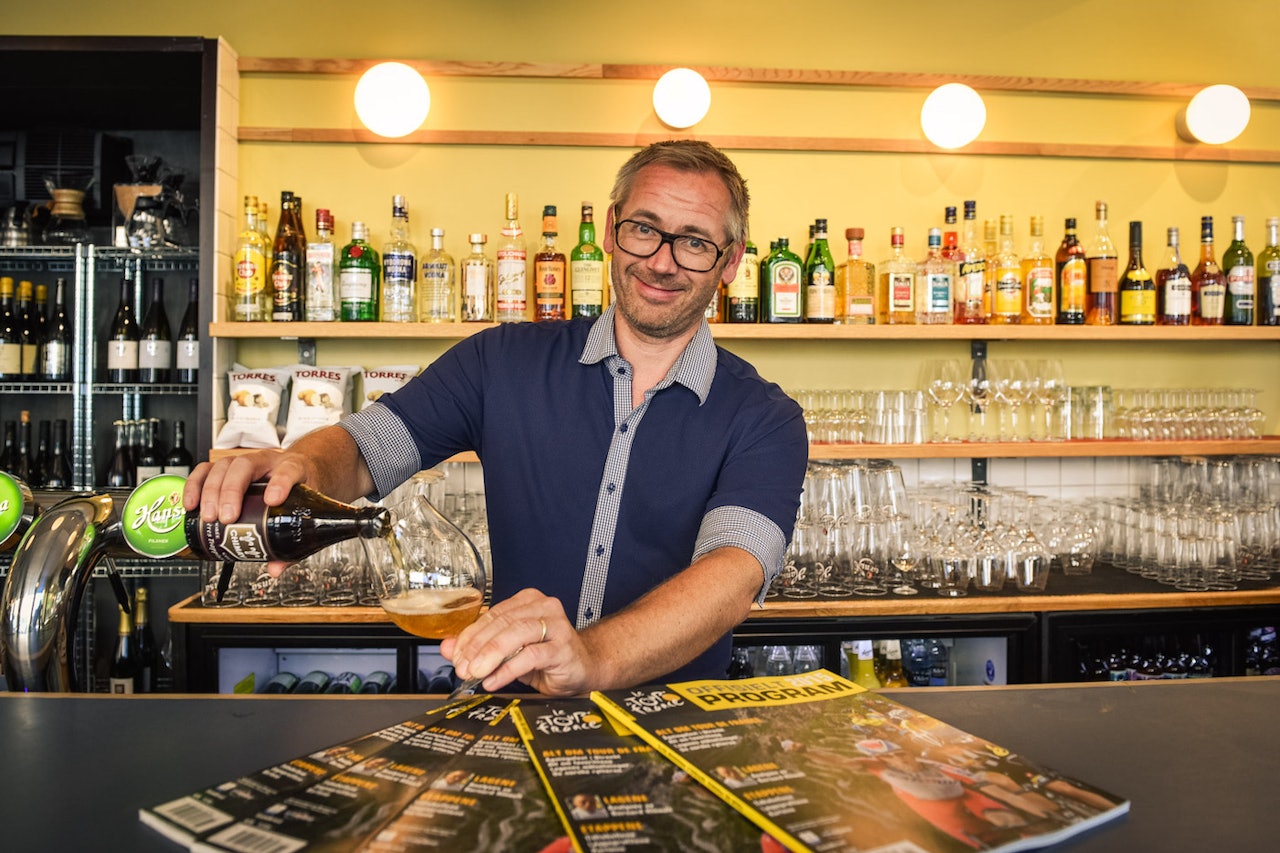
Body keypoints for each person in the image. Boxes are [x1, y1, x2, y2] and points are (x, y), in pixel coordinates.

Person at [184, 140, 808, 696]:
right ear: (613, 228)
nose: (663, 261)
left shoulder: (765, 417)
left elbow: (731, 574)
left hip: (678, 731)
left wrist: (590, 657)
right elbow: (368, 446)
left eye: (695, 242)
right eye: (645, 229)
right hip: (513, 716)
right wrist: (306, 464)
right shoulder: (500, 360)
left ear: (730, 263)